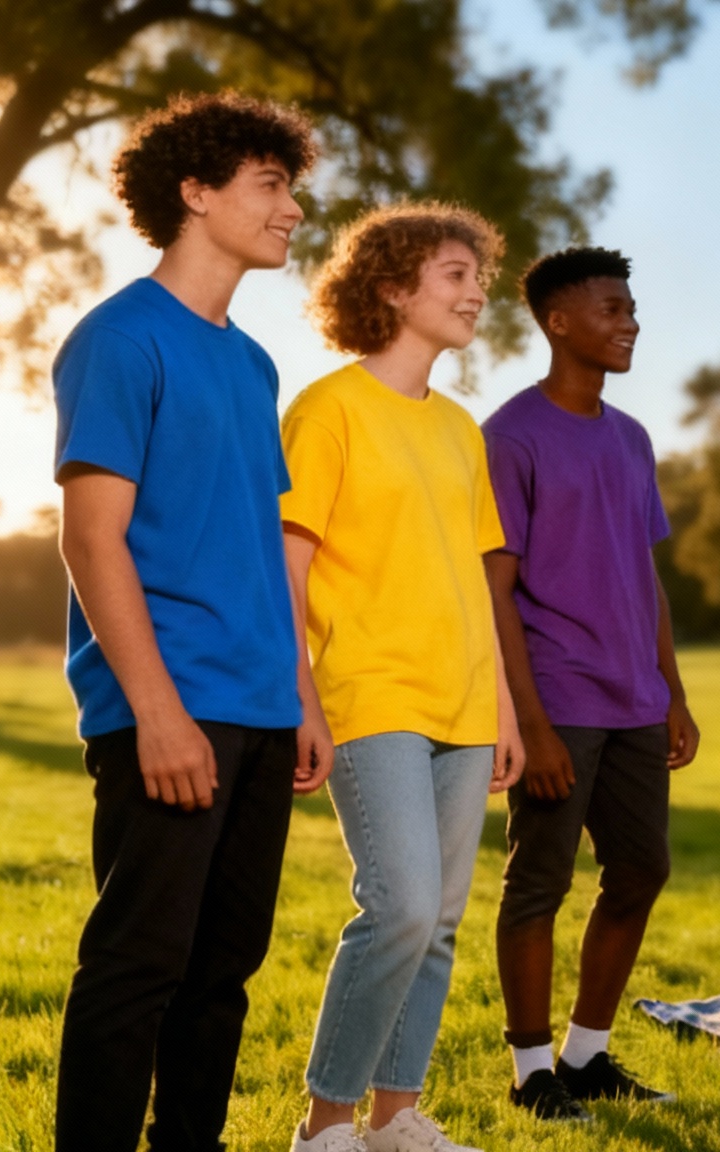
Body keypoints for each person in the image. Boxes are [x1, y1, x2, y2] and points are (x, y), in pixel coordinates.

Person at [51, 92, 321, 1152]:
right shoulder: (118, 340)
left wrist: (300, 698)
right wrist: (157, 713)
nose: (292, 209)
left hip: (259, 709)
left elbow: (258, 552)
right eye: (270, 185)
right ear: (195, 193)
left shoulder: (254, 366)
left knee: (221, 976)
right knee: (138, 967)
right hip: (169, 708)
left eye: (291, 187)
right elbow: (92, 540)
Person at [282, 203, 524, 1152]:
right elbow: (288, 567)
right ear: (392, 288)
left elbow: (475, 577)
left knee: (442, 924)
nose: (477, 294)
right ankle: (326, 1126)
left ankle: (396, 1118)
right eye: (456, 276)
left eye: (478, 277)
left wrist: (502, 706)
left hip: (464, 702)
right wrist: (302, 696)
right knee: (401, 906)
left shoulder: (463, 431)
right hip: (370, 693)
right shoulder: (328, 409)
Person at [482, 247, 701, 1119]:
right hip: (558, 701)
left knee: (641, 870)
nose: (631, 323)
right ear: (558, 322)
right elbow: (494, 591)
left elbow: (645, 578)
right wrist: (528, 725)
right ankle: (531, 1071)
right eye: (612, 309)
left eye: (633, 309)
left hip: (636, 702)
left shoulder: (633, 437)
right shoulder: (510, 436)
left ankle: (587, 1056)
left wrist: (673, 691)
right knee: (539, 882)